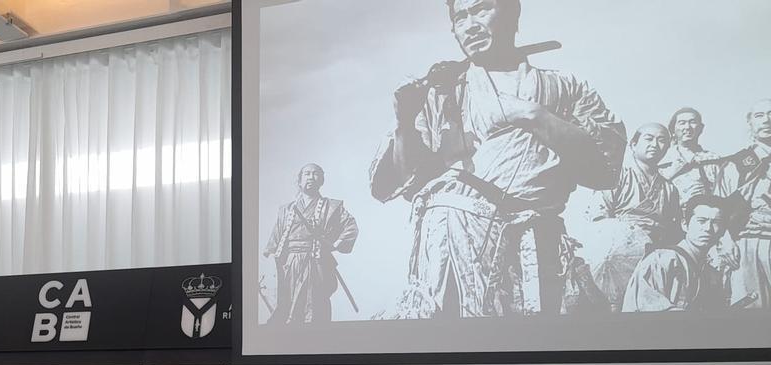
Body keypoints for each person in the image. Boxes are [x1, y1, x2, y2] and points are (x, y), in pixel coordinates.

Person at [368, 0, 625, 318]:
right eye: (460, 17)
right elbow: (406, 183)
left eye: (481, 9)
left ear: (513, 13)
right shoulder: (441, 93)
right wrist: (404, 124)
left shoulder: (564, 86)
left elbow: (605, 169)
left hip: (539, 245)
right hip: (455, 250)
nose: (470, 24)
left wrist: (532, 114)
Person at [586, 123, 681, 310]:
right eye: (649, 138)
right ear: (633, 144)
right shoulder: (617, 176)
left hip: (655, 259)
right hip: (619, 252)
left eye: (662, 140)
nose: (655, 144)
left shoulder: (670, 189)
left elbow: (673, 230)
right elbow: (598, 217)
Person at [262, 163, 359, 323]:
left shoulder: (332, 206)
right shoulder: (286, 209)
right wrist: (271, 258)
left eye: (315, 174)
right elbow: (276, 238)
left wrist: (335, 244)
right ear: (299, 180)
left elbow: (351, 226)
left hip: (316, 263)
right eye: (306, 173)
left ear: (321, 180)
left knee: (314, 306)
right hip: (289, 264)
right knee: (287, 306)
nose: (311, 177)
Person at [621, 194, 734, 311]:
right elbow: (648, 308)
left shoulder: (710, 273)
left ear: (723, 230)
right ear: (685, 224)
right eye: (701, 221)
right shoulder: (662, 259)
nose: (708, 228)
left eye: (716, 222)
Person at [717, 98, 771, 309]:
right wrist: (725, 240)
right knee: (749, 309)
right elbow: (719, 205)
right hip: (747, 242)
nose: (767, 120)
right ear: (750, 124)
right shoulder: (736, 163)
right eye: (759, 116)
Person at [661, 107, 724, 201]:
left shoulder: (714, 160)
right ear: (673, 129)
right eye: (682, 123)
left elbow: (723, 193)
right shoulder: (663, 159)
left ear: (701, 128)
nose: (687, 127)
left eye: (692, 122)